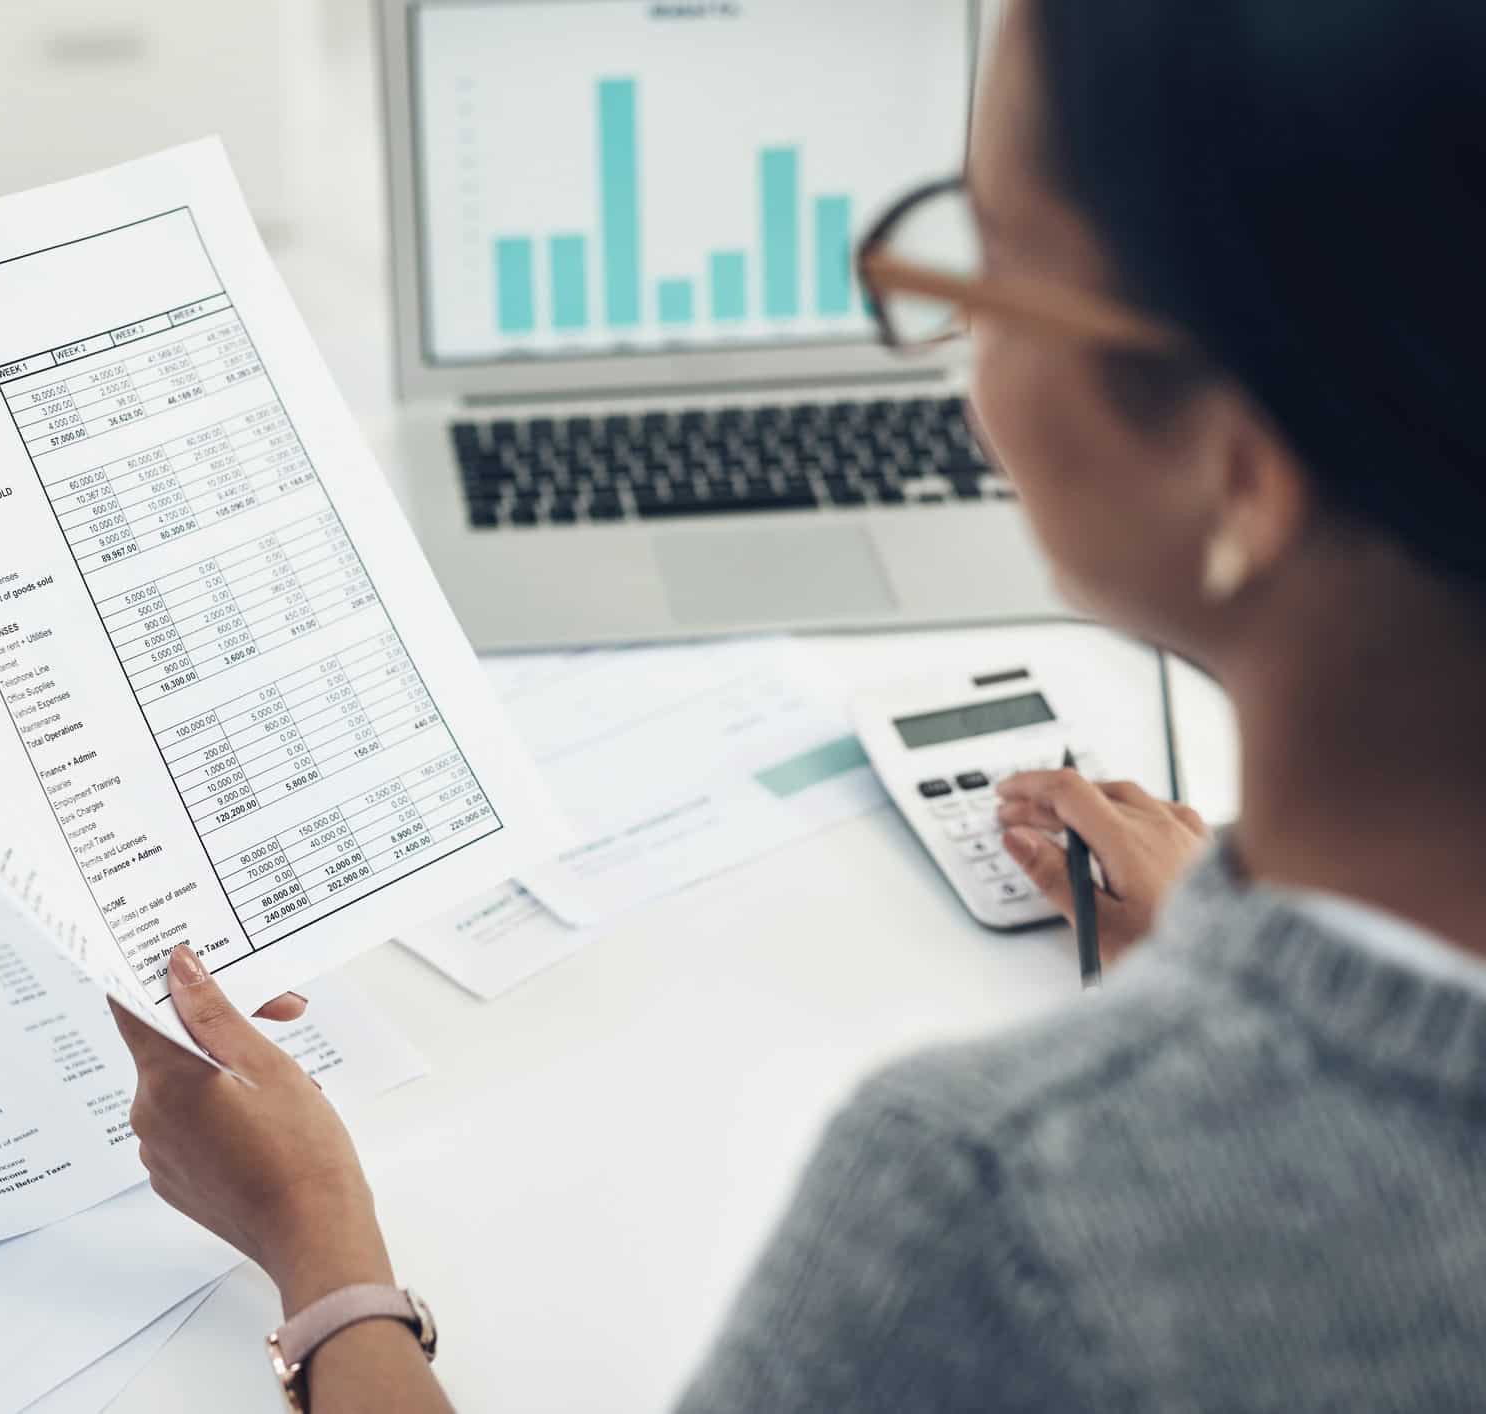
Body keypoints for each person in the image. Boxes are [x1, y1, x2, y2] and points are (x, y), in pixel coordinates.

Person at [108, 0, 1486, 1406]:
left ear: (1240, 476)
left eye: (995, 269)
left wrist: (320, 1249)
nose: (949, 364)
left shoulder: (997, 1202)